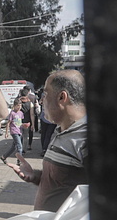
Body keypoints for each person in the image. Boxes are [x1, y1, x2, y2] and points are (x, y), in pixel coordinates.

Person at [9, 70, 88, 211]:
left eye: (45, 94)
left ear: (62, 97)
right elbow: (62, 182)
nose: (41, 100)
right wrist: (35, 176)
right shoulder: (60, 132)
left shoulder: (84, 139)